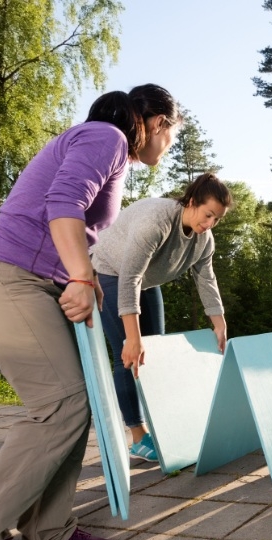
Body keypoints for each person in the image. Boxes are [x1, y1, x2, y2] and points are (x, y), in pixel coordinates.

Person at [0, 84, 181, 540]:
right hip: (5, 280)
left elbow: (67, 222)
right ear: (157, 122)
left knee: (76, 403)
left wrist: (75, 279)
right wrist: (84, 278)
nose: (171, 143)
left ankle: (48, 536)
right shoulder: (106, 136)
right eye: (174, 132)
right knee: (62, 402)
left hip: (30, 285)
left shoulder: (109, 148)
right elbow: (62, 204)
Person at [91, 173, 232, 463]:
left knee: (156, 353)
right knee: (129, 354)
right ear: (191, 201)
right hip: (112, 271)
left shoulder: (204, 239)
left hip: (147, 280)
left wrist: (219, 323)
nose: (210, 224)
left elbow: (206, 279)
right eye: (207, 215)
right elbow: (129, 278)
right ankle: (138, 437)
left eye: (216, 219)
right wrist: (133, 338)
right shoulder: (156, 223)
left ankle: (161, 426)